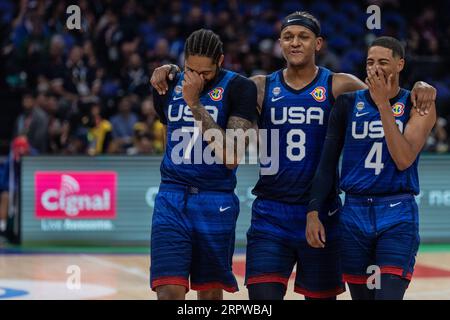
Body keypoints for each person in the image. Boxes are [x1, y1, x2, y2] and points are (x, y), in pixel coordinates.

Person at [151, 12, 436, 300]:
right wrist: (172, 70)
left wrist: (421, 88)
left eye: (303, 37)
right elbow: (219, 91)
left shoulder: (340, 84)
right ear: (280, 44)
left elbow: (387, 96)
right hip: (270, 212)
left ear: (318, 43)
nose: (295, 43)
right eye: (288, 37)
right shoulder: (257, 87)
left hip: (322, 212)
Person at [306, 36, 436, 300]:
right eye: (370, 62)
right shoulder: (347, 103)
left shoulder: (417, 104)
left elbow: (403, 159)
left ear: (400, 65)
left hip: (396, 213)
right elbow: (327, 163)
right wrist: (314, 209)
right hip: (354, 212)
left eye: (384, 62)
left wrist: (383, 105)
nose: (375, 67)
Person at [149, 29, 257, 300]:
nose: (196, 78)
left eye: (205, 73)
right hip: (171, 196)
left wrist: (194, 103)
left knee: (209, 293)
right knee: (168, 290)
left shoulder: (240, 88)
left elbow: (231, 157)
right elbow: (170, 134)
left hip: (215, 199)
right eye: (190, 70)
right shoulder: (168, 82)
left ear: (220, 60)